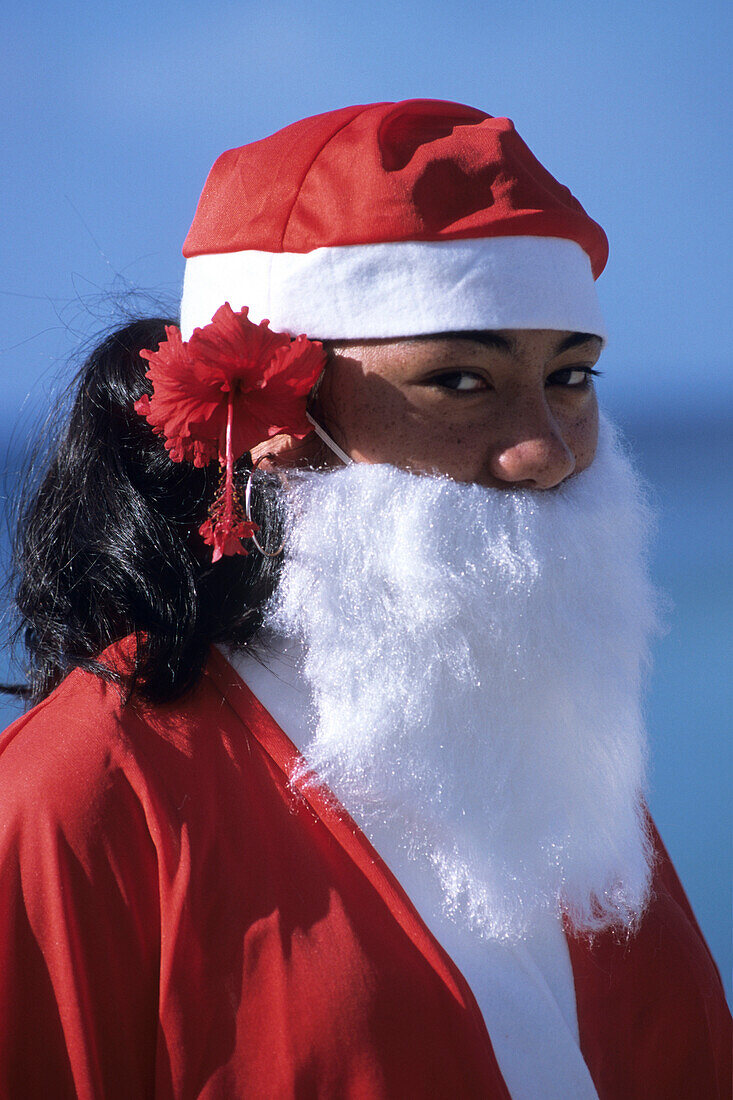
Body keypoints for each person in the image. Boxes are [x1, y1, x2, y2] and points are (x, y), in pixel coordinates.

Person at [0, 99, 728, 1099]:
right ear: (270, 421)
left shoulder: (549, 753)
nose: (546, 450)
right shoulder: (83, 792)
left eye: (569, 374)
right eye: (462, 380)